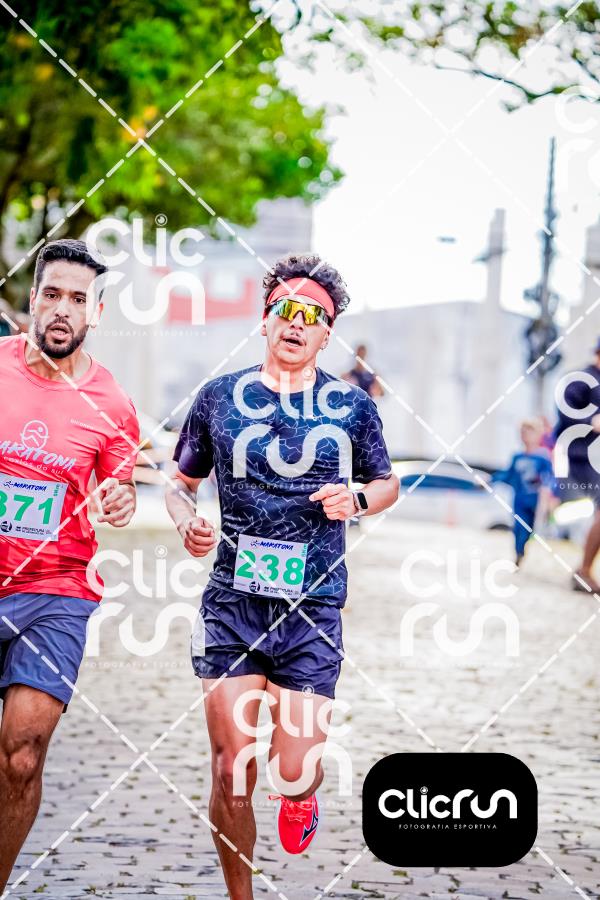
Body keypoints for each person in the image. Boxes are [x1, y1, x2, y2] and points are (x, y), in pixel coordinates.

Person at [166, 253, 398, 900]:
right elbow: (179, 483)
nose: (296, 323)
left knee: (292, 769)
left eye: (312, 315)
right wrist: (187, 520)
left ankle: (300, 794)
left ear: (328, 333)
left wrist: (356, 499)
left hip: (312, 608)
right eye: (284, 310)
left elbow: (387, 483)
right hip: (232, 605)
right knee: (230, 768)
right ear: (264, 318)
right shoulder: (218, 399)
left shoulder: (352, 407)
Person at [0, 239, 139, 892]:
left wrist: (120, 498)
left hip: (57, 590)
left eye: (77, 299)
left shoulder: (112, 404)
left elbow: (121, 488)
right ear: (32, 299)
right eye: (52, 294)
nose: (62, 309)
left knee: (22, 757)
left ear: (96, 312)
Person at [553, 338, 600, 592]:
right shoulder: (582, 379)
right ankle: (584, 570)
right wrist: (591, 420)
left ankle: (585, 570)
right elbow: (565, 409)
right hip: (581, 455)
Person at [492, 418, 553, 566]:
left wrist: (548, 498)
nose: (525, 436)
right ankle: (518, 552)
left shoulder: (542, 457)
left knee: (530, 528)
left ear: (538, 435)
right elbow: (507, 475)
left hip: (535, 500)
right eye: (523, 433)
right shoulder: (517, 456)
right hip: (519, 499)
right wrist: (490, 480)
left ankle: (523, 547)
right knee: (518, 527)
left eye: (529, 433)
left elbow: (549, 478)